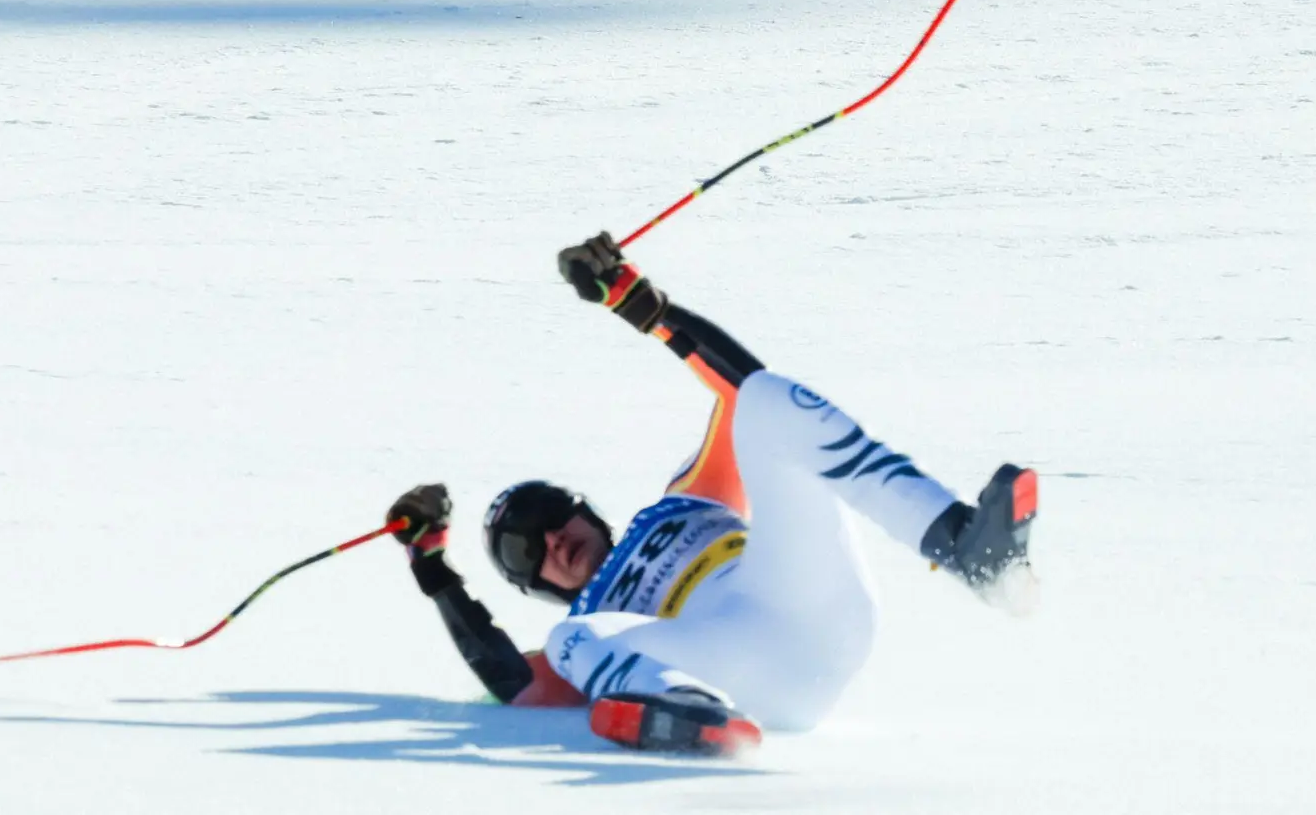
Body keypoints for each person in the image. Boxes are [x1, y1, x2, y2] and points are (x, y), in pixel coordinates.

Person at [387, 231, 1040, 756]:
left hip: (812, 607)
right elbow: (514, 683)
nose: (552, 538)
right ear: (533, 583)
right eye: (527, 550)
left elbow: (739, 393)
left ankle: (968, 550)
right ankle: (679, 709)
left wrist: (637, 302)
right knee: (571, 639)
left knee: (769, 399)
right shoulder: (590, 624)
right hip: (728, 666)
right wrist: (429, 564)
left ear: (583, 507)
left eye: (551, 515)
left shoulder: (686, 496)